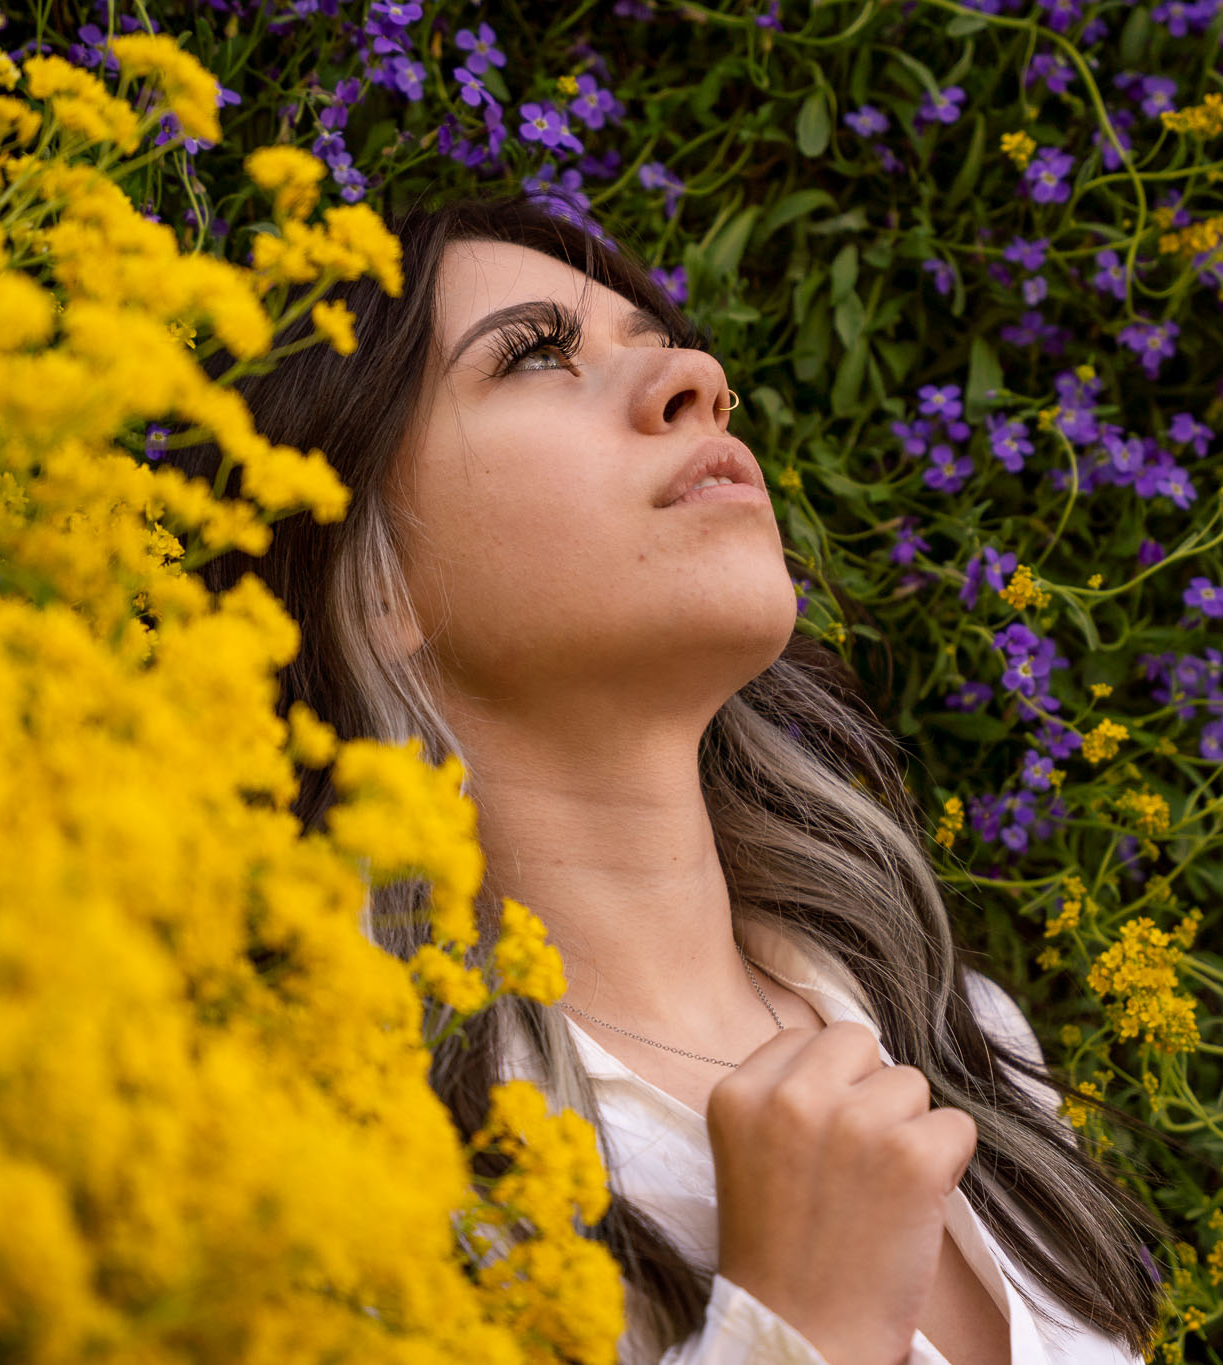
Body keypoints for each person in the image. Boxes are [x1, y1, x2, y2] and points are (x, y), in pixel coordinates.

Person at [168, 190, 1169, 1365]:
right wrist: (792, 1331)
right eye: (538, 358)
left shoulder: (963, 1042)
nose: (695, 377)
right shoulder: (320, 1143)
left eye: (663, 343)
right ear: (365, 568)